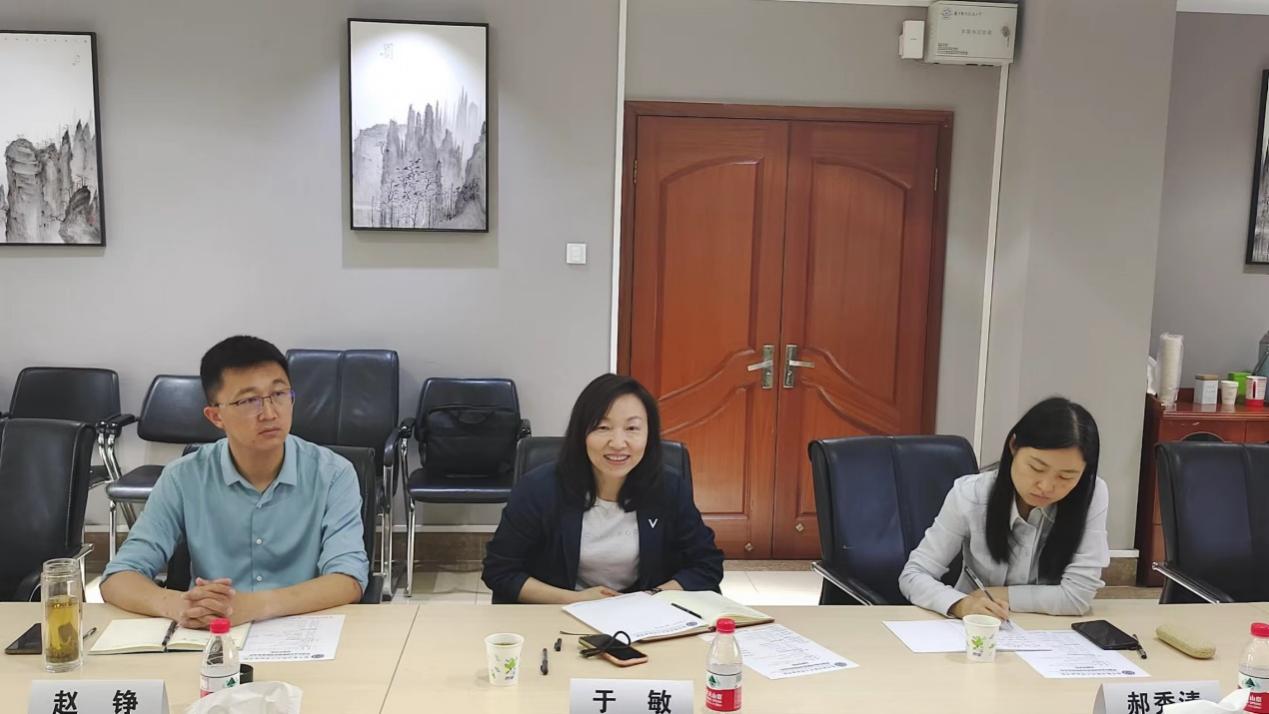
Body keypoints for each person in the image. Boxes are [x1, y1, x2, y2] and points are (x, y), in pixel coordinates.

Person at [101, 336, 369, 628]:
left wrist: (255, 606)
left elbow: (348, 579)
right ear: (216, 416)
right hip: (210, 634)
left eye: (279, 394)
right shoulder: (183, 477)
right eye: (249, 401)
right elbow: (118, 577)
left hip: (304, 630)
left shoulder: (333, 474)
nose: (270, 413)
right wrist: (178, 605)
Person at [482, 373, 723, 604]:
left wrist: (649, 598)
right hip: (559, 613)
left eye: (632, 428)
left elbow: (706, 565)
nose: (618, 443)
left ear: (649, 435)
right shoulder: (538, 489)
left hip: (644, 615)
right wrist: (575, 600)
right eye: (602, 427)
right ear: (581, 433)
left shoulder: (669, 488)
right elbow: (500, 571)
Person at [899, 396, 1109, 619]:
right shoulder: (970, 494)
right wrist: (962, 604)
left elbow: (1077, 597)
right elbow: (914, 575)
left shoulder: (1092, 495)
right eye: (1036, 468)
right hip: (975, 625)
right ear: (1013, 446)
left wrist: (996, 595)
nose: (1046, 487)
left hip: (1048, 630)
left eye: (1066, 476)